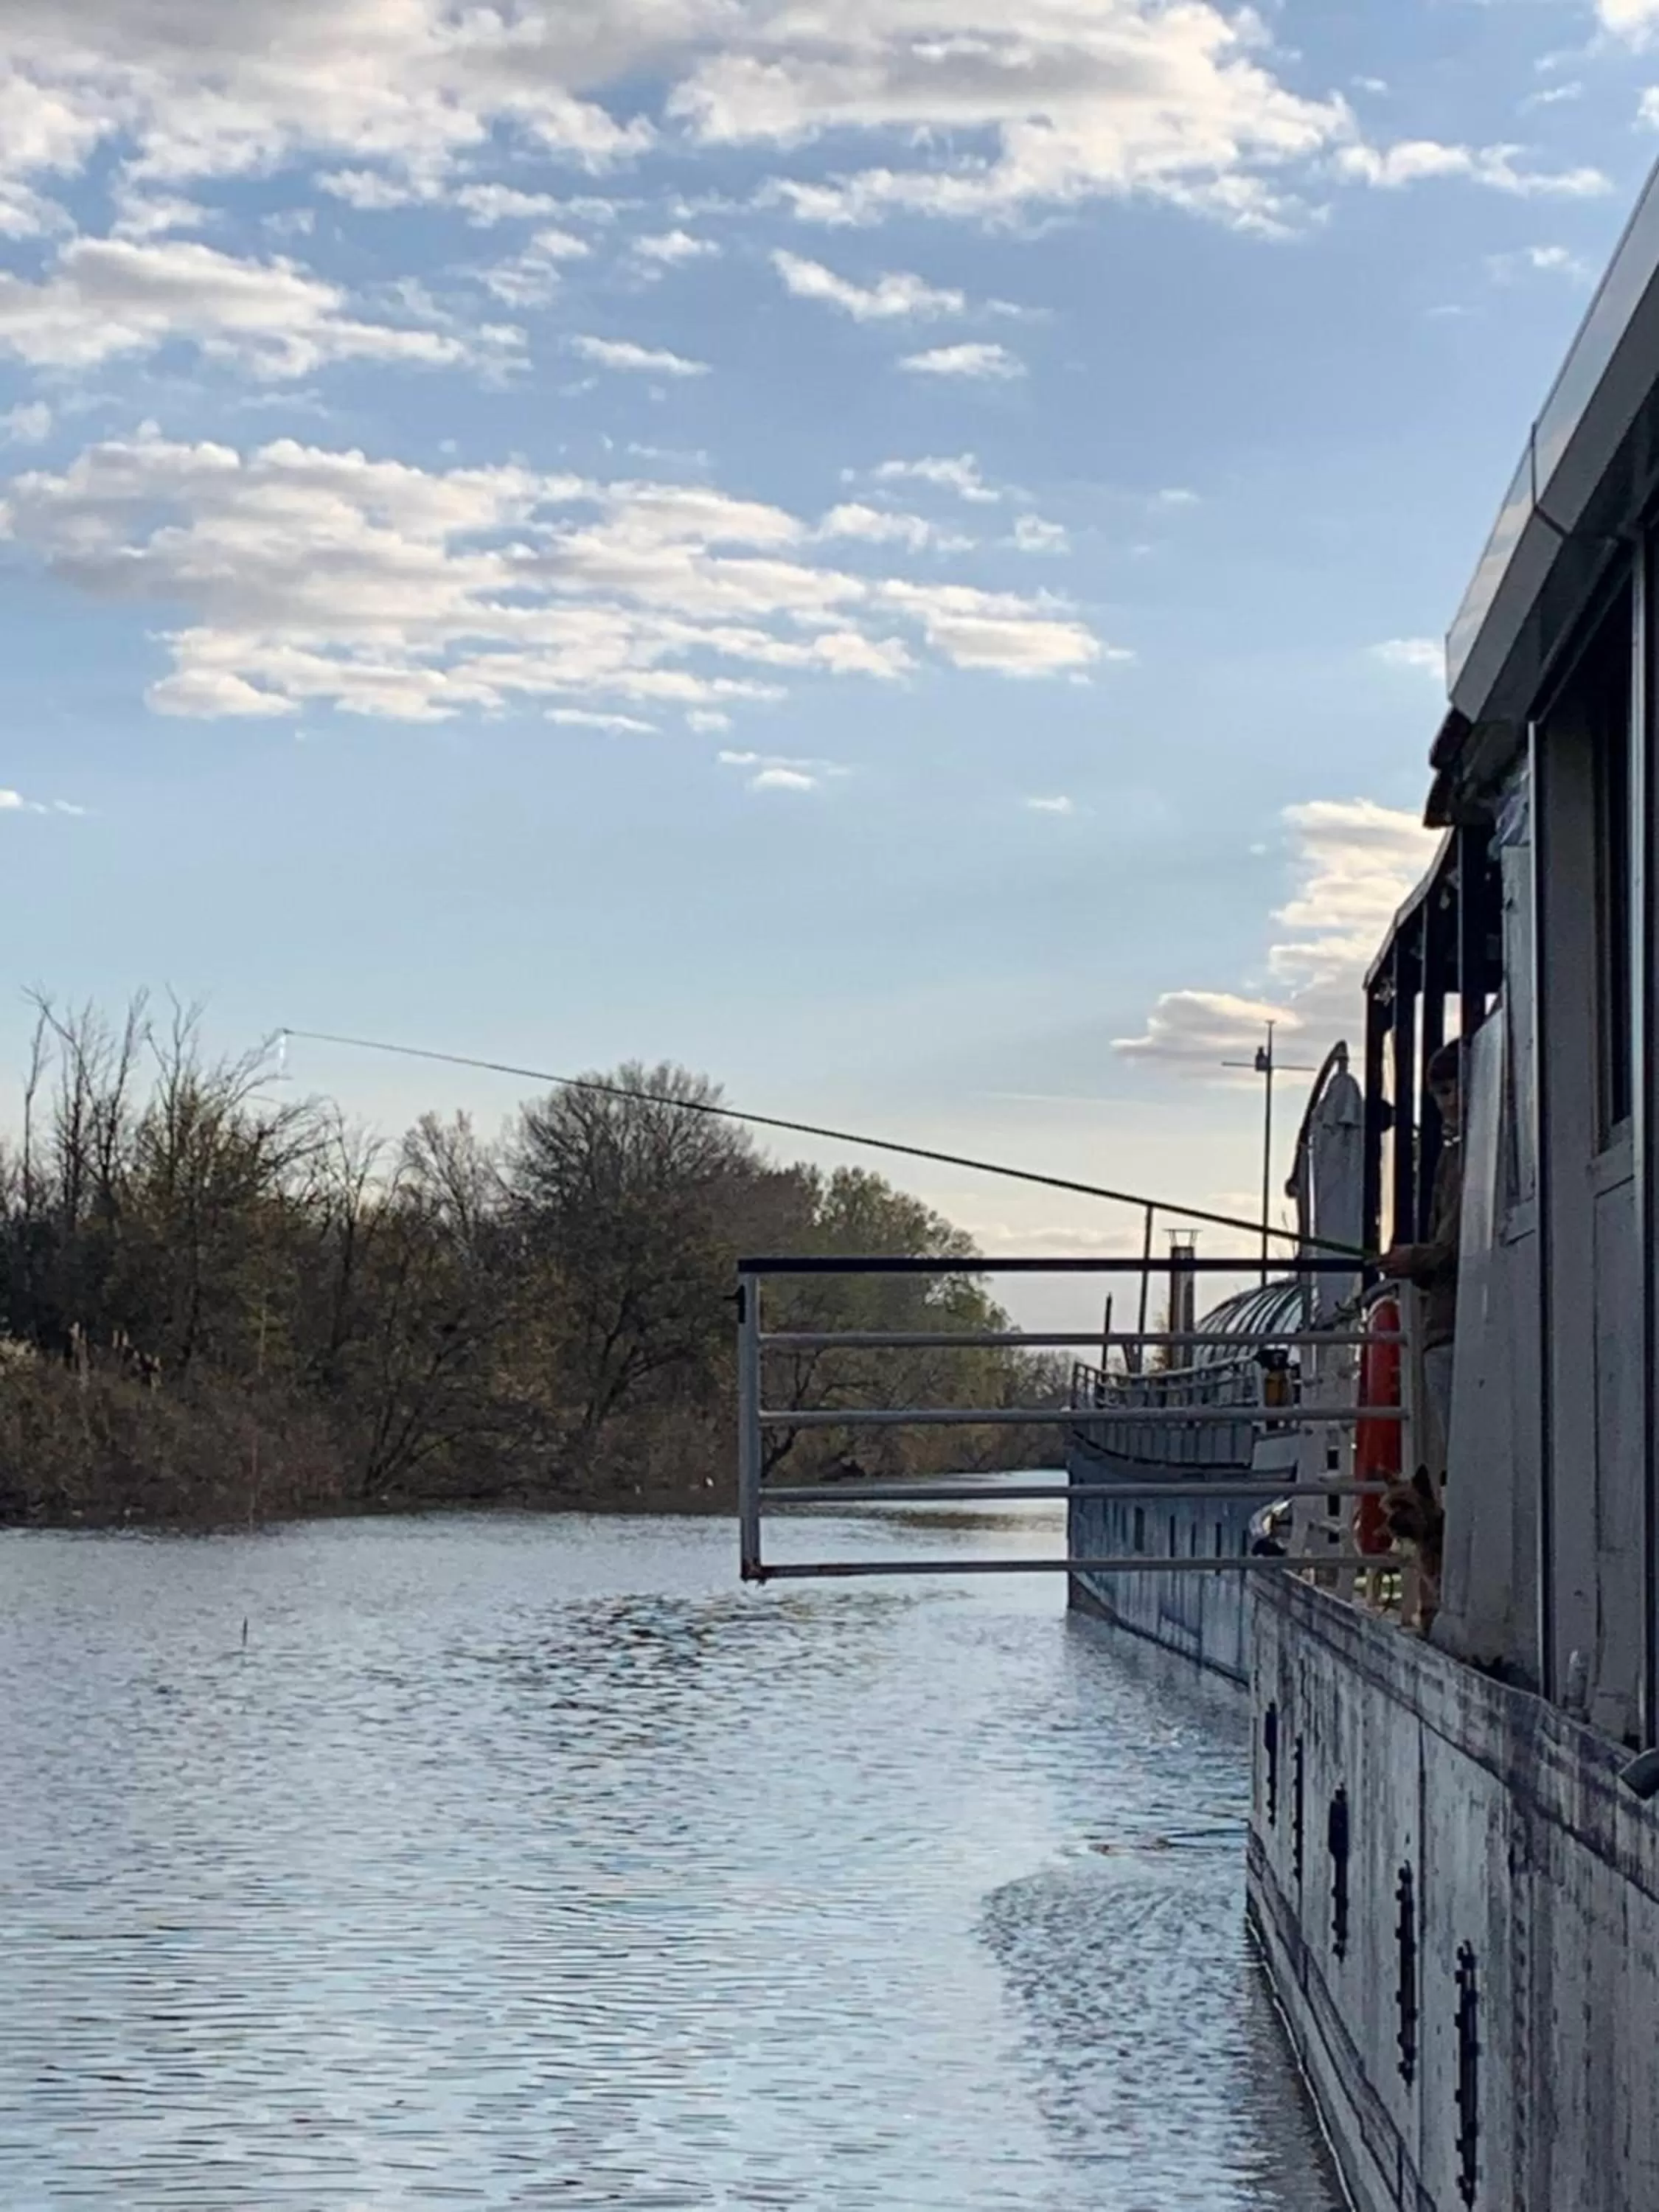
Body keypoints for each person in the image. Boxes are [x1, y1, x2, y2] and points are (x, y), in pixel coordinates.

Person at [1379, 1040, 1462, 1486]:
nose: (1451, 1101)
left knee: (1461, 1448)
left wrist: (1416, 1259)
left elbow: (1457, 1245)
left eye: (1457, 1088)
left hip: (1449, 1327)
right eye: (1442, 1092)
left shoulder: (1462, 1158)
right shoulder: (1455, 1156)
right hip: (1446, 1326)